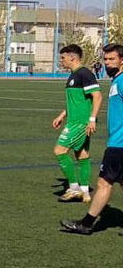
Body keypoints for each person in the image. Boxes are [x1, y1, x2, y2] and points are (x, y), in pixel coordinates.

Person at [61, 44, 123, 234]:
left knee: (104, 182)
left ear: (122, 60)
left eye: (111, 59)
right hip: (117, 142)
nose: (107, 63)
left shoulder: (121, 81)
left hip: (119, 144)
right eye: (105, 59)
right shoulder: (117, 80)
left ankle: (86, 224)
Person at [51, 44, 102, 203]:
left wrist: (92, 119)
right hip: (75, 120)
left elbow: (97, 96)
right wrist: (63, 114)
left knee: (60, 150)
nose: (61, 61)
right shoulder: (74, 75)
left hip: (80, 122)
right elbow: (76, 100)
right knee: (82, 154)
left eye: (63, 58)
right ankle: (85, 192)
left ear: (72, 57)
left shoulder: (84, 73)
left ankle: (74, 188)